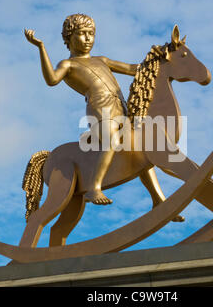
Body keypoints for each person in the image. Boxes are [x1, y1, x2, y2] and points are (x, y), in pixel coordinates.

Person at [24, 13, 138, 205]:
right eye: (82, 33)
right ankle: (94, 188)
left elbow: (131, 68)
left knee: (144, 146)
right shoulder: (68, 64)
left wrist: (160, 57)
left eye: (91, 34)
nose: (87, 39)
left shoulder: (102, 60)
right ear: (69, 37)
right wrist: (41, 47)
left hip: (121, 110)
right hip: (100, 112)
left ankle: (157, 198)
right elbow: (51, 79)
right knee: (111, 141)